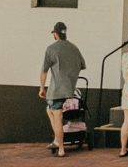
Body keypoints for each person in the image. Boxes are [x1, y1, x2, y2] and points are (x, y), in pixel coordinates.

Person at [40, 21, 86, 156]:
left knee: (57, 116)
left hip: (57, 90)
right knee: (50, 110)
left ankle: (60, 148)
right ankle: (56, 139)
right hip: (71, 89)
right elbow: (82, 65)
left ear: (55, 34)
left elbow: (44, 70)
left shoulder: (51, 49)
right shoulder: (74, 48)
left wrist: (42, 88)